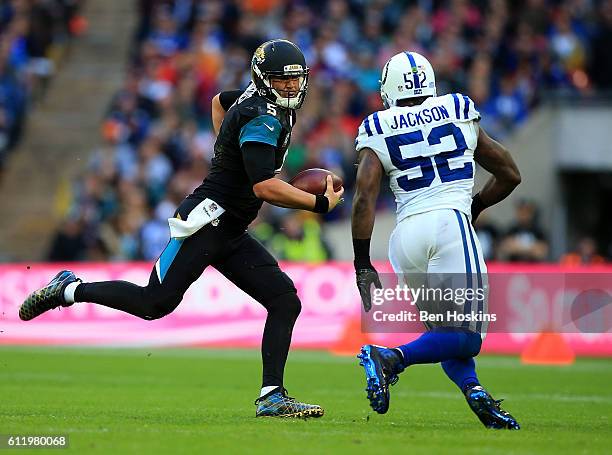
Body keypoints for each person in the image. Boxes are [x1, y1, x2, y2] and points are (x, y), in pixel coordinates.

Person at [20, 39, 344, 418]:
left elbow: (220, 101)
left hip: (231, 228)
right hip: (207, 221)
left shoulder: (255, 100)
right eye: (281, 80)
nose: (290, 87)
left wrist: (225, 147)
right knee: (153, 303)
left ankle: (272, 395)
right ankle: (69, 289)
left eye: (294, 80)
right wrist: (318, 204)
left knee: (284, 300)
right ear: (263, 78)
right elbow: (264, 187)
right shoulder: (264, 116)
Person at [351, 51, 521, 429]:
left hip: (405, 236)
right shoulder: (458, 107)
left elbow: (364, 196)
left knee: (446, 333)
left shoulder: (377, 124)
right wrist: (473, 206)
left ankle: (474, 390)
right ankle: (390, 357)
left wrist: (362, 263)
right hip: (448, 224)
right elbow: (510, 172)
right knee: (468, 338)